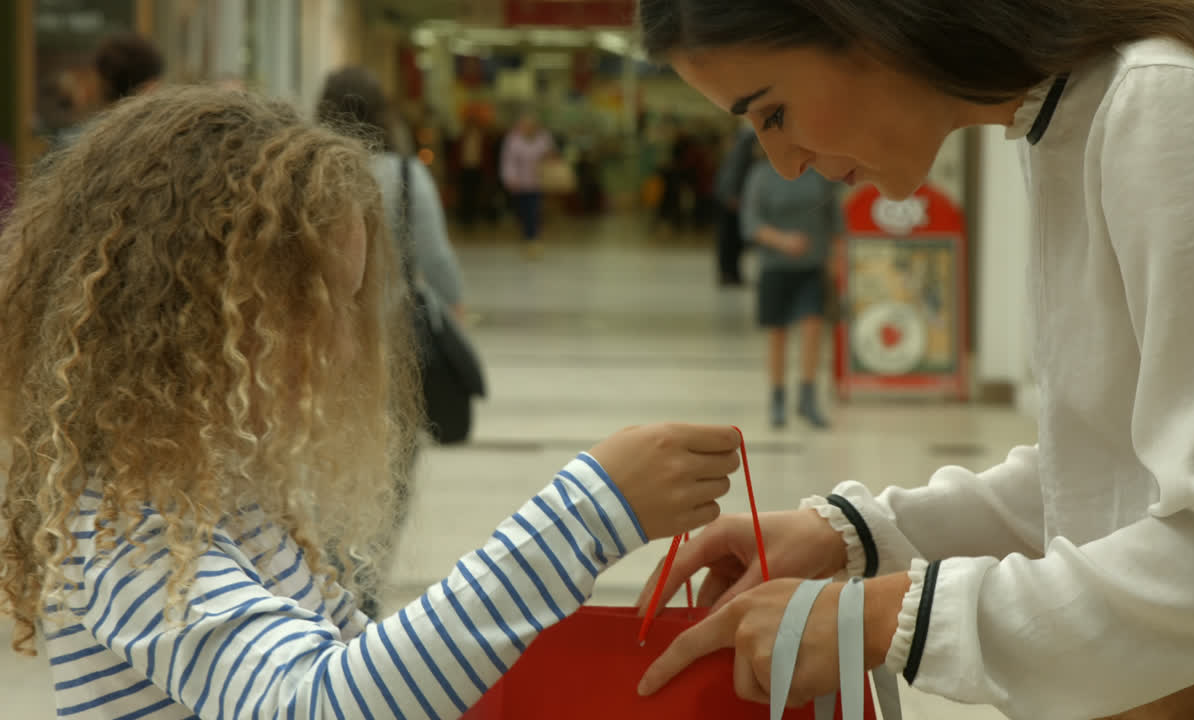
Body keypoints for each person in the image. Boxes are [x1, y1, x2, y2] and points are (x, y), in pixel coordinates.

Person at [0, 85, 743, 719]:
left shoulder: (220, 489)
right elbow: (314, 702)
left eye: (352, 305)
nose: (345, 349)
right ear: (188, 312)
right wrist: (584, 515)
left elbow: (361, 665)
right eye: (313, 305)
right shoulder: (126, 527)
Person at [630, 1, 1194, 719]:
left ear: (867, 27)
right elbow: (1108, 475)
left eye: (773, 113)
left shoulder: (1160, 105)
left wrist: (880, 618)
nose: (783, 166)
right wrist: (855, 535)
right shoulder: (1068, 121)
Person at [316, 66, 466, 319]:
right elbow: (435, 256)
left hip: (322, 324)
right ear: (382, 112)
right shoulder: (407, 175)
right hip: (391, 323)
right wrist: (455, 302)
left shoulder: (311, 174)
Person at [741, 159, 845, 429]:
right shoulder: (761, 176)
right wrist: (783, 241)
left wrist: (836, 260)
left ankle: (808, 396)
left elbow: (836, 220)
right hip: (774, 267)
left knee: (813, 327)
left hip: (812, 267)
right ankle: (777, 397)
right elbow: (751, 222)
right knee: (778, 333)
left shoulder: (821, 174)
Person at [500, 112, 555, 258]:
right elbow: (508, 160)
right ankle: (527, 237)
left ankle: (533, 239)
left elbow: (550, 155)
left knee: (534, 210)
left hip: (538, 181)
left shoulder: (543, 139)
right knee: (523, 212)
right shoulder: (513, 140)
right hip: (519, 182)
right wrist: (510, 178)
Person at [712, 124, 757, 287]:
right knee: (729, 238)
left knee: (733, 238)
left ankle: (732, 273)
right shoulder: (745, 144)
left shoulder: (743, 142)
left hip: (731, 195)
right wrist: (733, 195)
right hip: (730, 197)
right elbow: (736, 169)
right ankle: (728, 273)